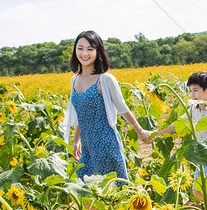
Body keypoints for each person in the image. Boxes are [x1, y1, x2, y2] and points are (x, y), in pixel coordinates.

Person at [62, 30, 149, 183]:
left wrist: (140, 131)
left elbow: (122, 108)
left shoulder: (105, 79)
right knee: (85, 190)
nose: (84, 53)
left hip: (105, 144)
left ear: (98, 51)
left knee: (109, 191)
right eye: (80, 48)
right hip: (87, 146)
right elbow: (80, 114)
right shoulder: (74, 80)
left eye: (90, 49)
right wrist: (76, 141)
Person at [147, 71, 207, 205]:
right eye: (190, 91)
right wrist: (157, 133)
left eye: (195, 90)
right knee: (197, 191)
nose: (192, 95)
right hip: (199, 157)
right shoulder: (193, 109)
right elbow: (177, 124)